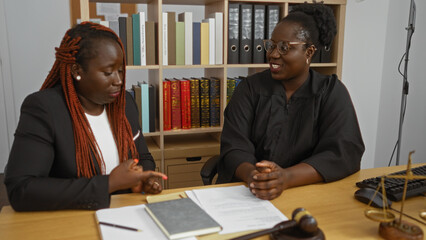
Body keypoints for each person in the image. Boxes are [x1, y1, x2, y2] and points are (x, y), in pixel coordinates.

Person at [4, 22, 166, 211]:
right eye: (108, 72)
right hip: (71, 218)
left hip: (125, 212)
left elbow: (142, 156)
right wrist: (108, 184)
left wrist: (145, 177)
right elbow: (22, 190)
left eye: (120, 70)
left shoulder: (125, 104)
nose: (119, 81)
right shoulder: (44, 109)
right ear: (76, 71)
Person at [217, 3, 365, 200]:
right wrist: (254, 176)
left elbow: (344, 152)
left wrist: (285, 178)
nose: (273, 54)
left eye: (284, 47)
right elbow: (234, 146)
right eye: (271, 45)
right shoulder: (250, 89)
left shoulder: (330, 92)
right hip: (250, 192)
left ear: (309, 52)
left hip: (308, 193)